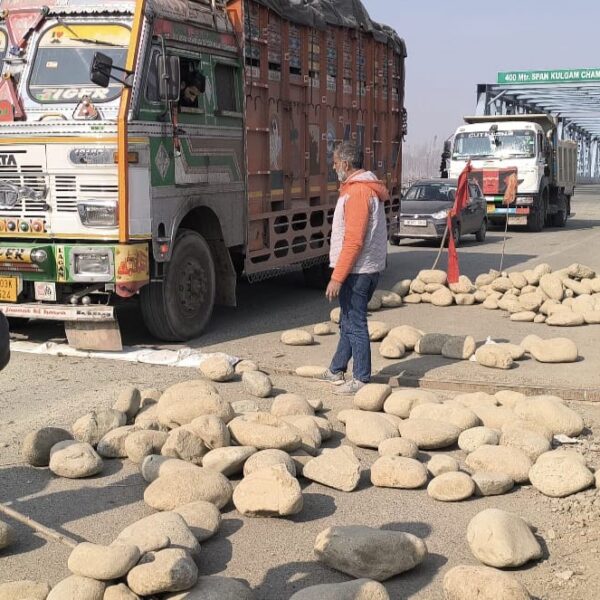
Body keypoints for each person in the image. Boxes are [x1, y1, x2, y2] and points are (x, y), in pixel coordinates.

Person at [318, 141, 390, 395]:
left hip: (358, 270)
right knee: (347, 321)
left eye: (335, 163)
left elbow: (354, 240)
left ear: (346, 164)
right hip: (366, 267)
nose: (334, 167)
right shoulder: (361, 188)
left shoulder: (358, 192)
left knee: (355, 322)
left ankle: (361, 377)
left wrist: (337, 277)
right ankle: (336, 368)